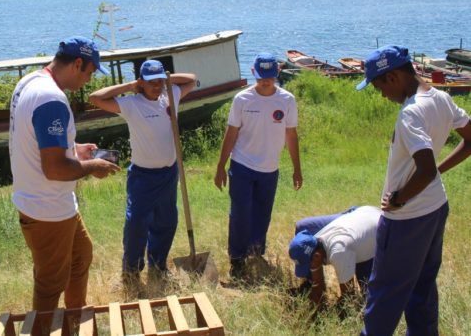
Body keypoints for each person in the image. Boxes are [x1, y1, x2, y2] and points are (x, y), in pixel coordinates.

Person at [355, 45, 471, 336]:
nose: (382, 95)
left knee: (385, 293)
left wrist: (398, 199)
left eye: (379, 86)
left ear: (393, 77)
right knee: (422, 285)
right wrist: (437, 172)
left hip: (407, 219)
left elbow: (426, 169)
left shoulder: (410, 114)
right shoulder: (441, 98)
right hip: (435, 209)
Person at [9, 36, 121, 313]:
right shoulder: (52, 99)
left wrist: (73, 150)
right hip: (46, 207)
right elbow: (55, 168)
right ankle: (43, 329)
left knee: (80, 256)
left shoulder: (30, 82)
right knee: (50, 284)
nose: (89, 80)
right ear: (78, 63)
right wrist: (93, 166)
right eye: (90, 72)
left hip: (50, 202)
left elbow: (38, 142)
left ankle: (74, 317)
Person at [88, 60, 197, 284]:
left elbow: (192, 79)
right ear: (142, 83)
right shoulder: (132, 104)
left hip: (168, 173)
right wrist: (130, 85)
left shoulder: (171, 95)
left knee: (167, 222)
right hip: (143, 176)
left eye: (159, 82)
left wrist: (168, 79)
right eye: (151, 82)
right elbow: (95, 98)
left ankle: (158, 267)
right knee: (136, 224)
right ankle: (131, 272)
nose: (156, 87)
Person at [214, 52, 303, 279]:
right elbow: (231, 133)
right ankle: (236, 258)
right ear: (253, 73)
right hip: (242, 165)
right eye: (262, 76)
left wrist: (297, 168)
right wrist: (220, 166)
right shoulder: (242, 99)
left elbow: (291, 135)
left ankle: (255, 252)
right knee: (241, 213)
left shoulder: (287, 100)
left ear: (278, 73)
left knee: (263, 214)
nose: (266, 81)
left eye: (270, 77)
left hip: (269, 168)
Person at [288, 206, 381, 309]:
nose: (310, 269)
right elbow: (318, 287)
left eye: (308, 265)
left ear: (317, 257)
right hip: (365, 214)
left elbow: (349, 296)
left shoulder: (338, 252)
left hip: (381, 228)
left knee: (372, 303)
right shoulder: (317, 240)